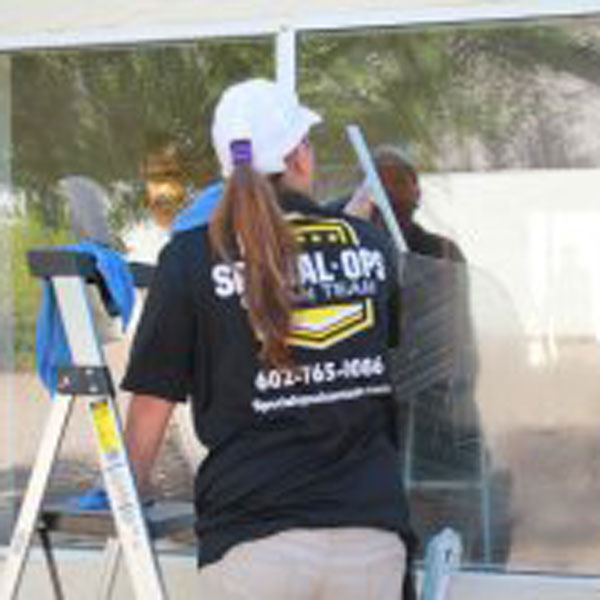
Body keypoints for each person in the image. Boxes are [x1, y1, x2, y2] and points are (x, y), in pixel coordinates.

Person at [121, 79, 415, 599]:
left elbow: (152, 403)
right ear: (298, 155)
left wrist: (125, 497)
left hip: (254, 541)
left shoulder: (190, 259)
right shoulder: (371, 245)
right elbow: (378, 356)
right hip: (369, 534)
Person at [345, 146, 485, 558]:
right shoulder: (356, 253)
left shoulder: (441, 253)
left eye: (398, 183)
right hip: (372, 404)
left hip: (437, 404)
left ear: (417, 192)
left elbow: (457, 332)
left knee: (443, 510)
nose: (392, 193)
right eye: (381, 184)